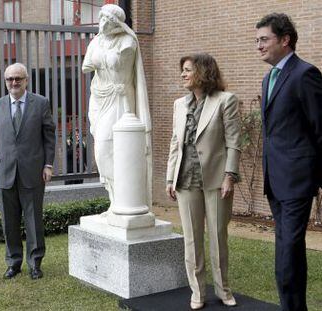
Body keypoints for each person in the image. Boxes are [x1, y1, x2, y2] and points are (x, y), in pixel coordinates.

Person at [255, 13, 322, 311]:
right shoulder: (268, 77)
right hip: (275, 180)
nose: (258, 46)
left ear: (285, 40)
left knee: (287, 253)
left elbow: (320, 128)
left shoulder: (305, 74)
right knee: (289, 253)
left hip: (297, 180)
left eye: (264, 39)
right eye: (257, 40)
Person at [166, 53, 240, 309]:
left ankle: (223, 290)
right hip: (185, 180)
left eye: (187, 70)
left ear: (203, 72)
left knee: (218, 237)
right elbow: (175, 143)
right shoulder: (179, 104)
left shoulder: (225, 100)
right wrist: (169, 177)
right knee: (191, 239)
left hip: (217, 180)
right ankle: (197, 291)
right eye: (182, 70)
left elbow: (233, 141)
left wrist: (230, 176)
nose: (183, 75)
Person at [0, 63, 55, 280]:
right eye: (10, 79)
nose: (14, 83)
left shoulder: (41, 103)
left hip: (33, 172)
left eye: (18, 78)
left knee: (34, 219)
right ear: (5, 81)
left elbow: (49, 138)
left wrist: (48, 165)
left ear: (26, 80)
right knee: (9, 221)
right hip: (4, 172)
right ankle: (13, 263)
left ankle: (35, 263)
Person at [82, 4, 152, 208]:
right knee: (103, 148)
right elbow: (86, 66)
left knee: (108, 148)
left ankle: (127, 198)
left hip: (119, 98)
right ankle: (115, 201)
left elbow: (118, 67)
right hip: (99, 98)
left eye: (107, 20)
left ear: (116, 23)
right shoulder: (96, 41)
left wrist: (101, 59)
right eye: (101, 18)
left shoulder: (128, 42)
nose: (103, 23)